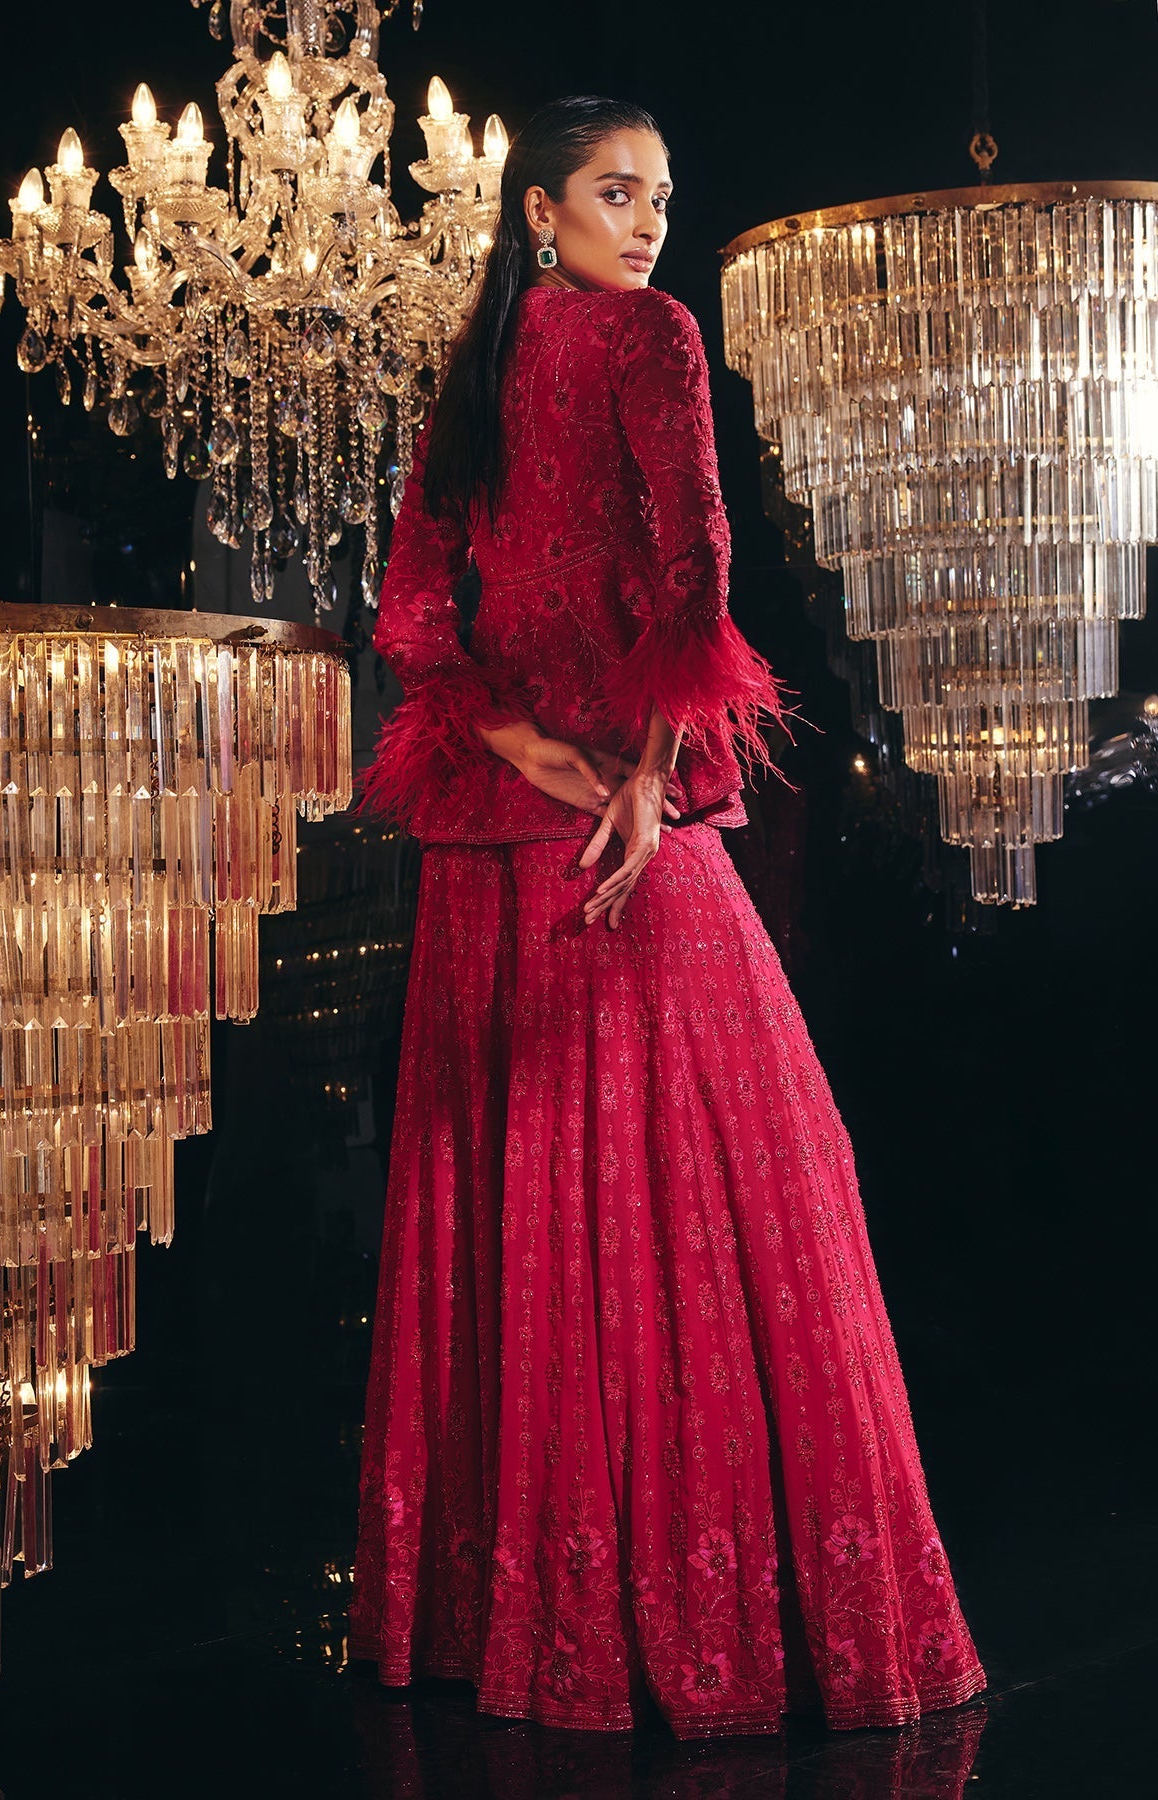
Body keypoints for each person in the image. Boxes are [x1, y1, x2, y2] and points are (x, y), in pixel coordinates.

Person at [346, 94, 986, 1738]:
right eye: (618, 193)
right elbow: (681, 577)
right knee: (711, 1179)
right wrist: (612, 769)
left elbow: (445, 613)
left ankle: (523, 1619)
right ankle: (674, 1621)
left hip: (528, 831)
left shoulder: (515, 362)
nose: (649, 224)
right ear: (540, 210)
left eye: (661, 197)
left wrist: (563, 761)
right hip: (576, 815)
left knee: (550, 1196)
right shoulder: (622, 346)